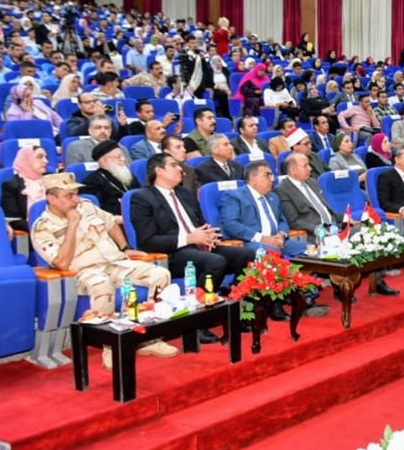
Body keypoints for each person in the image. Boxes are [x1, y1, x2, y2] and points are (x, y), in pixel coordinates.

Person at [31, 172, 176, 368]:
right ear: (51, 198)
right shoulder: (42, 227)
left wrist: (125, 248)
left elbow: (110, 223)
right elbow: (62, 263)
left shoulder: (86, 206)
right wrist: (72, 226)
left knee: (160, 275)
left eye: (76, 194)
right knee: (102, 285)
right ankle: (111, 348)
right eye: (69, 196)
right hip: (82, 272)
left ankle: (148, 338)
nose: (76, 200)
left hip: (113, 263)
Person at [130, 153, 259, 335]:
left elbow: (200, 224)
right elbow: (147, 241)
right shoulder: (142, 198)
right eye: (174, 165)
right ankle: (198, 324)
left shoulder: (185, 194)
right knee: (215, 262)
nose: (180, 169)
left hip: (199, 247)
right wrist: (189, 238)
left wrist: (209, 236)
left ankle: (240, 313)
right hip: (173, 253)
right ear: (159, 171)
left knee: (246, 255)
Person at [217, 161, 309, 258]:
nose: (272, 179)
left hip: (278, 242)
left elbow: (282, 220)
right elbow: (231, 224)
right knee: (273, 252)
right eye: (267, 175)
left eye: (272, 175)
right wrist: (262, 238)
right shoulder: (234, 196)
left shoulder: (273, 197)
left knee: (310, 248)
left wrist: (281, 235)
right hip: (250, 242)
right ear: (253, 179)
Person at [81, 140, 139, 216]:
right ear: (104, 162)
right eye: (118, 157)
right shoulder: (91, 182)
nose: (123, 159)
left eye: (122, 156)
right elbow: (97, 211)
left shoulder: (127, 175)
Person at [0, 144, 49, 231]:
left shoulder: (52, 178)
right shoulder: (11, 186)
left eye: (46, 157)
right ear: (26, 160)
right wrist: (40, 228)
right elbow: (14, 220)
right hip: (33, 231)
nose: (46, 161)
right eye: (40, 157)